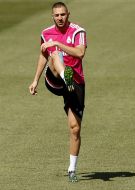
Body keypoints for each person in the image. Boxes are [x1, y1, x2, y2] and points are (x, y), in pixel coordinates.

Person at [28, 1, 87, 182]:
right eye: (56, 15)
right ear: (52, 16)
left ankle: (72, 170)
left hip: (75, 83)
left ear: (68, 14)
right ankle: (64, 75)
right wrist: (35, 80)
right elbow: (43, 55)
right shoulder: (46, 33)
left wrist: (58, 44)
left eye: (63, 14)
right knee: (54, 56)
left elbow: (80, 53)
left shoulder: (78, 32)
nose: (60, 18)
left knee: (75, 128)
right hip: (54, 79)